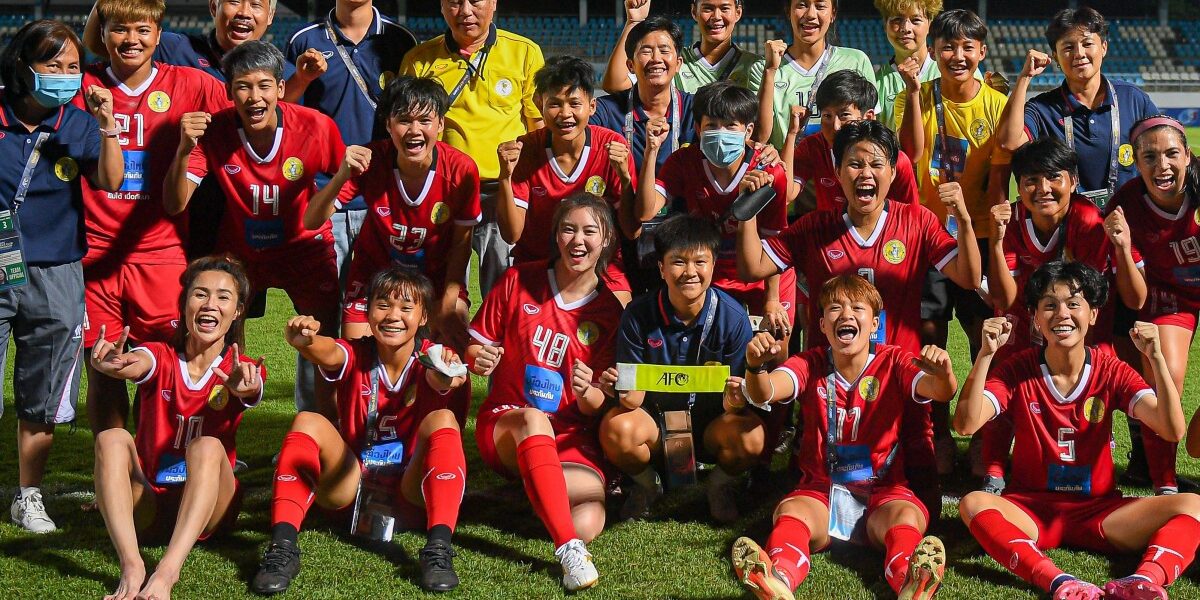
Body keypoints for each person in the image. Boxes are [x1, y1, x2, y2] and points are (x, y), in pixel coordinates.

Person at [736, 120, 980, 520]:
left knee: (924, 509)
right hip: (830, 381)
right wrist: (747, 212)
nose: (865, 173)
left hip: (901, 375)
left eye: (876, 164)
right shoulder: (816, 226)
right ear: (837, 172)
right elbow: (753, 267)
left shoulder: (916, 221)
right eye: (854, 164)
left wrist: (965, 221)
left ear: (893, 170)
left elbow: (968, 278)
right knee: (817, 493)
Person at [955, 261, 1200, 600]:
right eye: (1049, 305)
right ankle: (1058, 582)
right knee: (973, 504)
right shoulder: (1018, 368)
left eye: (1074, 303)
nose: (1062, 314)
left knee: (1193, 506)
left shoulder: (1111, 370)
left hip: (1099, 513)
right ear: (1035, 318)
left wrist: (1157, 359)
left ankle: (1143, 581)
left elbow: (1172, 430)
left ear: (1094, 314)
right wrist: (985, 355)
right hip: (1031, 509)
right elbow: (966, 424)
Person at [730, 274, 954, 600]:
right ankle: (778, 579)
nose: (846, 314)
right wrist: (755, 368)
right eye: (835, 308)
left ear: (874, 322)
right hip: (823, 490)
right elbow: (767, 390)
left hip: (885, 491)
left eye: (857, 308)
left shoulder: (894, 360)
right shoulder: (810, 363)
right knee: (792, 513)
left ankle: (912, 582)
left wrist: (943, 372)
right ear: (821, 324)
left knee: (907, 518)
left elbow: (940, 391)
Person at [251, 267, 468, 595]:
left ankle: (437, 549)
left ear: (424, 317)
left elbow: (448, 379)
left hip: (411, 493)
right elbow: (328, 351)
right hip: (351, 492)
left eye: (406, 308)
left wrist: (447, 376)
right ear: (367, 313)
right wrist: (304, 341)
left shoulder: (433, 359)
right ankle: (283, 548)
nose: (393, 316)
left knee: (444, 421)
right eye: (383, 305)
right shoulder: (355, 353)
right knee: (307, 420)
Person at [164, 41, 344, 416]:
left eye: (264, 85)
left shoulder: (315, 126)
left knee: (323, 343)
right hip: (241, 254)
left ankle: (325, 431)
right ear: (230, 93)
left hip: (306, 249)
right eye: (243, 86)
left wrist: (333, 204)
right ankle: (218, 433)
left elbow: (349, 177)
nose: (254, 96)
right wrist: (182, 149)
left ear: (281, 88)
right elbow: (176, 202)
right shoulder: (214, 133)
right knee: (218, 337)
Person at [77, 0, 231, 436]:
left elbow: (247, 110)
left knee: (164, 363)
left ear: (159, 36)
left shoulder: (193, 84)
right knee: (102, 366)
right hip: (93, 254)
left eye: (143, 30)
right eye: (120, 30)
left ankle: (156, 464)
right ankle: (114, 469)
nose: (132, 40)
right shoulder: (82, 85)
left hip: (161, 252)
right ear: (102, 35)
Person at [0, 19, 123, 533]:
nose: (66, 77)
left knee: (43, 392)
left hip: (57, 270)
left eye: (73, 67)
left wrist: (108, 127)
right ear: (23, 68)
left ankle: (28, 495)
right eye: (54, 66)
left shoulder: (77, 123)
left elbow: (111, 180)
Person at [467, 193, 623, 591]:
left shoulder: (609, 311)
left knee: (589, 520)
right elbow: (474, 345)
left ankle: (531, 493)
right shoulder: (519, 280)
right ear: (556, 235)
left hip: (569, 435)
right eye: (568, 229)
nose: (578, 240)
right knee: (534, 419)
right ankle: (568, 550)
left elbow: (592, 407)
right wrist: (479, 358)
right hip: (508, 421)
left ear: (606, 240)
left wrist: (587, 390)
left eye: (590, 231)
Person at [90, 255, 264, 600]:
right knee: (111, 437)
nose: (209, 304)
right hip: (153, 503)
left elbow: (251, 388)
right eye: (199, 294)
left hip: (212, 508)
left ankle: (167, 573)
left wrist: (245, 388)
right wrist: (116, 365)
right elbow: (138, 362)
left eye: (222, 297)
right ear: (184, 304)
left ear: (238, 311)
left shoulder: (241, 369)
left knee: (207, 446)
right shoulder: (160, 354)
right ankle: (132, 566)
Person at [978, 137, 1143, 494]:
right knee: (1005, 369)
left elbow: (1088, 296)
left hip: (1079, 327)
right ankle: (993, 468)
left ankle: (1100, 464)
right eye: (1030, 181)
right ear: (1018, 186)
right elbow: (1006, 300)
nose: (1042, 189)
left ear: (1072, 180)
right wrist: (994, 241)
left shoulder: (1086, 219)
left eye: (1053, 177)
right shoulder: (1010, 218)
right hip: (1027, 318)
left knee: (1095, 383)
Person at [895, 8, 1008, 474]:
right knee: (928, 339)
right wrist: (915, 92)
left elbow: (1000, 178)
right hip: (928, 238)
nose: (957, 55)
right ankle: (936, 433)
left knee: (988, 336)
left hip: (978, 238)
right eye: (948, 46)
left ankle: (984, 435)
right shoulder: (916, 95)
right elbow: (910, 154)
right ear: (934, 51)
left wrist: (997, 232)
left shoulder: (998, 106)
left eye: (967, 47)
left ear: (981, 51)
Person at [305, 76, 478, 356]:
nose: (414, 130)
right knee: (354, 356)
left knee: (449, 353)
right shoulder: (372, 160)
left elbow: (461, 243)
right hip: (374, 276)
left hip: (434, 277)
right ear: (388, 125)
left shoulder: (461, 169)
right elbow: (311, 220)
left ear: (441, 125)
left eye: (425, 120)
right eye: (404, 120)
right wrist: (341, 175)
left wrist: (448, 299)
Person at [601, 214, 756, 523]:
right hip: (656, 429)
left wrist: (738, 395)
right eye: (678, 262)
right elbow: (631, 398)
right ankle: (647, 485)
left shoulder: (734, 318)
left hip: (711, 428)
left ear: (713, 266)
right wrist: (620, 390)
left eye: (700, 262)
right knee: (616, 427)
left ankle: (719, 485)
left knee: (751, 437)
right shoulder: (638, 315)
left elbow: (735, 406)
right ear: (661, 267)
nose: (690, 272)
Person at [401, 0, 544, 298]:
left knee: (503, 293)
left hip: (503, 195)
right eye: (454, 2)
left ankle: (501, 345)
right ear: (441, 7)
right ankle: (443, 346)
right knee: (443, 292)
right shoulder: (419, 60)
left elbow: (538, 128)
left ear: (493, 4)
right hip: (446, 194)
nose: (465, 11)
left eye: (476, 1)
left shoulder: (524, 52)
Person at [638, 80, 796, 339]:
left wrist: (772, 300)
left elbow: (774, 240)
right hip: (711, 273)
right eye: (711, 126)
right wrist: (651, 152)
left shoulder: (770, 172)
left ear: (748, 130)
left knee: (775, 350)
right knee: (711, 348)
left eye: (731, 126)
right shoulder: (683, 162)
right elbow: (646, 211)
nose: (721, 134)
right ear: (698, 129)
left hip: (765, 276)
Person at [283, 0, 418, 289]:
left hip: (383, 193)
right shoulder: (304, 40)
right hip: (327, 192)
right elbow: (283, 111)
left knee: (388, 296)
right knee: (330, 301)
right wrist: (302, 78)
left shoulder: (400, 39)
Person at [1106, 115, 1200, 495]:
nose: (1162, 166)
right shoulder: (1125, 205)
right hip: (1167, 297)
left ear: (1188, 155)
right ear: (1136, 161)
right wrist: (1122, 247)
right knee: (1166, 376)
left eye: (1172, 154)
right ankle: (1164, 481)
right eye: (1150, 157)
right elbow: (1136, 298)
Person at [496, 55, 636, 305]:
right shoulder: (526, 150)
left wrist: (625, 180)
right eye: (555, 104)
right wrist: (505, 178)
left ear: (592, 107)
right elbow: (511, 235)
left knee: (618, 311)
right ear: (539, 104)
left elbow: (631, 230)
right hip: (536, 265)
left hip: (599, 268)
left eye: (574, 103)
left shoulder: (612, 147)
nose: (565, 114)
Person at [997, 7, 1156, 209]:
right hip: (1069, 229)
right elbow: (1009, 143)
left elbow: (1164, 149)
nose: (1079, 53)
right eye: (1068, 47)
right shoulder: (1042, 109)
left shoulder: (1132, 98)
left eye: (1087, 44)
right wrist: (1024, 78)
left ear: (1104, 47)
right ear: (1055, 55)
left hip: (1130, 222)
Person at [789, 69, 918, 214]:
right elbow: (788, 195)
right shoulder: (812, 147)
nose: (836, 126)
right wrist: (791, 134)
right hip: (831, 235)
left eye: (844, 115)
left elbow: (911, 217)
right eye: (827, 116)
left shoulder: (897, 162)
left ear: (868, 117)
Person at [753, 0, 877, 150]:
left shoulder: (856, 61)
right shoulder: (763, 68)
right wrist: (770, 71)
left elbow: (872, 130)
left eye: (820, 6)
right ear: (788, 11)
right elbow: (759, 138)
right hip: (785, 170)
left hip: (841, 170)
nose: (811, 14)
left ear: (833, 13)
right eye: (802, 5)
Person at [84, 0, 295, 83]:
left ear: (270, 16)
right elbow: (98, 44)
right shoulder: (175, 49)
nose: (244, 13)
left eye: (256, 4)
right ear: (214, 7)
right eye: (234, 1)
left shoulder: (287, 74)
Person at [601, 0, 763, 94]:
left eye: (725, 8)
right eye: (708, 8)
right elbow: (615, 85)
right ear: (694, 12)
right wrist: (634, 22)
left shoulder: (756, 66)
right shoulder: (674, 61)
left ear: (738, 13)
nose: (716, 17)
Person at [873, 0, 943, 132]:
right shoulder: (875, 83)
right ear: (885, 25)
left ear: (930, 24)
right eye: (897, 20)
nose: (906, 28)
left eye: (915, 20)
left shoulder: (952, 72)